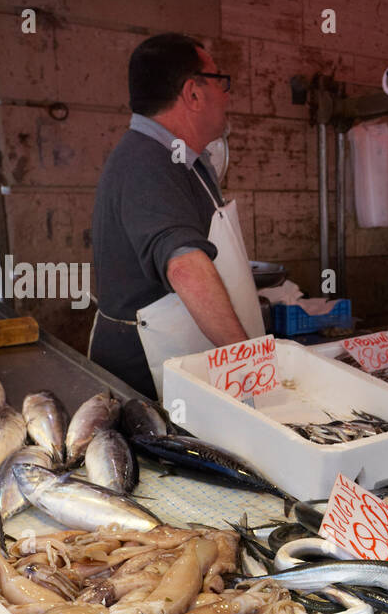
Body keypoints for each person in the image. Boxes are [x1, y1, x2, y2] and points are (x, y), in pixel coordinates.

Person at [90, 33, 265, 399]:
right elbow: (184, 266)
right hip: (148, 375)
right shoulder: (147, 161)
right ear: (194, 93)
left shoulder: (186, 159)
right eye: (221, 81)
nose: (227, 94)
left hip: (183, 359)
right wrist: (250, 367)